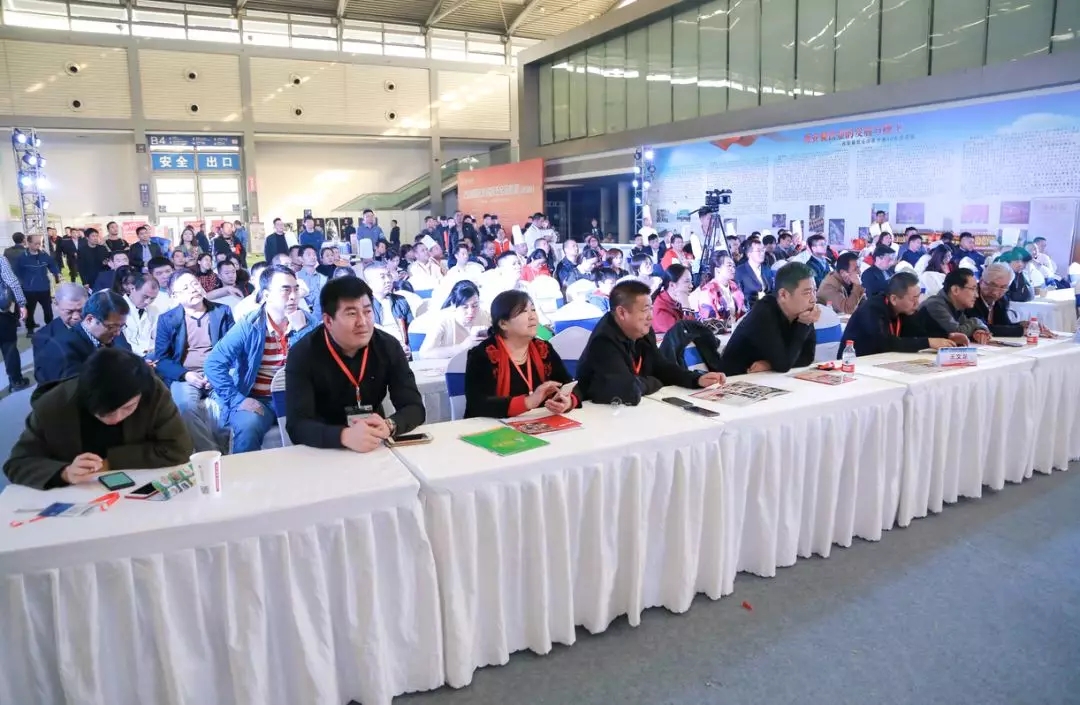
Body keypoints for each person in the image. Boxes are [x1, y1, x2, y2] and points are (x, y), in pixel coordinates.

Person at [4, 348, 193, 490]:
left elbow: (178, 448)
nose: (116, 419)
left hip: (139, 491)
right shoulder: (54, 405)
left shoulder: (153, 393)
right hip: (76, 496)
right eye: (105, 412)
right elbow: (18, 463)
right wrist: (65, 473)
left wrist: (110, 463)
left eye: (128, 407)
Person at [285, 277, 424, 451]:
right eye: (351, 314)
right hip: (324, 448)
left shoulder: (388, 346)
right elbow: (297, 425)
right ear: (328, 321)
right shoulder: (303, 353)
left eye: (367, 311)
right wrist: (343, 436)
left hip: (373, 441)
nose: (362, 322)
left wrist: (390, 425)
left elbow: (414, 407)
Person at [204, 265, 315, 454]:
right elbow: (214, 364)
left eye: (296, 289)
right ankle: (244, 473)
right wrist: (237, 400)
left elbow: (319, 363)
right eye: (285, 290)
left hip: (295, 397)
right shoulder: (250, 324)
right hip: (259, 398)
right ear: (266, 295)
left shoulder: (307, 322)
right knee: (248, 426)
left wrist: (301, 332)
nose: (293, 296)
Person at [576, 280, 724, 405]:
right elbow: (628, 391)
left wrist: (696, 379)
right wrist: (656, 381)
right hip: (602, 414)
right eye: (645, 310)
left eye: (651, 309)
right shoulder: (603, 341)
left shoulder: (641, 330)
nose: (650, 317)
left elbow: (661, 366)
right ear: (622, 313)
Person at [154, 270, 236, 451]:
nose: (193, 289)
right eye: (185, 288)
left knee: (228, 406)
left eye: (194, 284)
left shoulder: (222, 311)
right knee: (184, 407)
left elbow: (234, 349)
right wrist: (185, 375)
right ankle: (211, 454)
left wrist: (217, 373)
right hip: (186, 376)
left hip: (218, 373)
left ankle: (225, 452)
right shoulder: (167, 320)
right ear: (175, 296)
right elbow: (161, 359)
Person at [463, 290, 577, 418]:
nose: (532, 316)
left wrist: (567, 402)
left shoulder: (543, 349)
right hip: (492, 426)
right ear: (503, 323)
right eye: (523, 311)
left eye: (533, 310)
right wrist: (528, 402)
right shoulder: (483, 355)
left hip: (537, 422)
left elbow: (568, 384)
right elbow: (478, 404)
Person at [718, 262, 819, 376]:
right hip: (735, 378)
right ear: (783, 295)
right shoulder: (765, 311)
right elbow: (783, 365)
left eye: (814, 291)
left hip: (767, 378)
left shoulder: (802, 312)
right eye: (807, 293)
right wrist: (804, 324)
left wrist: (770, 364)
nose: (814, 299)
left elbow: (807, 357)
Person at [840, 272, 961, 357]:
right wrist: (928, 342)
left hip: (884, 361)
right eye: (913, 299)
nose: (917, 303)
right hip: (855, 364)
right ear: (894, 299)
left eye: (918, 297)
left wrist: (946, 337)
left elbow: (920, 332)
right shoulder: (872, 309)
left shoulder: (905, 310)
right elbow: (885, 343)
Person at [34, 290, 132, 385]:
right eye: (111, 327)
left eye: (121, 326)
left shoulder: (106, 335)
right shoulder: (63, 351)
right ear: (90, 319)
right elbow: (82, 391)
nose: (118, 333)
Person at [964, 262, 1047, 338]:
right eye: (992, 285)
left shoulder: (1002, 299)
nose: (995, 292)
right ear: (981, 281)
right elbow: (980, 327)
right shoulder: (971, 297)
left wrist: (1022, 325)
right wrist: (1021, 330)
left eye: (1003, 287)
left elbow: (1003, 325)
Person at [915, 268, 990, 343]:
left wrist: (979, 331)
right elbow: (958, 333)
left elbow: (966, 326)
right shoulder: (935, 305)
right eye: (973, 289)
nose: (977, 295)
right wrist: (976, 321)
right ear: (955, 290)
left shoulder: (956, 307)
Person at [32, 283, 87, 382]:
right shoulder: (43, 338)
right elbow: (41, 375)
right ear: (56, 305)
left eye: (81, 310)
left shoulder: (99, 325)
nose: (76, 316)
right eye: (69, 311)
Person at [14, 233, 61, 338]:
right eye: (36, 243)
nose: (38, 245)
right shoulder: (22, 257)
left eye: (40, 243)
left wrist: (56, 273)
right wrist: (23, 283)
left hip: (44, 288)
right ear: (29, 243)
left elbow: (52, 265)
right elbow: (16, 272)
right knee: (30, 310)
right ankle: (30, 329)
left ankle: (50, 327)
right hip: (29, 289)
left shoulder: (44, 255)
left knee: (48, 310)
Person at [362, 260, 413, 349]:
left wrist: (409, 348)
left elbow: (411, 330)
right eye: (382, 277)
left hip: (402, 348)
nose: (388, 280)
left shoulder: (400, 301)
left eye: (389, 275)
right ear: (368, 284)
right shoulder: (363, 306)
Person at [691, 250, 745, 323]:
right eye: (729, 266)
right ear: (717, 270)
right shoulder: (708, 291)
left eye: (733, 266)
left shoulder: (734, 286)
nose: (733, 269)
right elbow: (710, 322)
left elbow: (742, 311)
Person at [121, 273, 160, 358]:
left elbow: (158, 337)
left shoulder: (154, 310)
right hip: (127, 358)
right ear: (132, 289)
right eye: (145, 296)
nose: (147, 302)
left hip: (151, 355)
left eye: (152, 298)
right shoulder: (117, 308)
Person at [652, 263, 693, 335]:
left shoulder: (675, 300)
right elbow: (684, 332)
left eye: (691, 281)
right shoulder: (660, 309)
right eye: (687, 281)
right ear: (672, 285)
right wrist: (686, 305)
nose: (691, 286)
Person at [734, 239, 774, 305]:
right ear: (749, 254)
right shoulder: (740, 271)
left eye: (763, 250)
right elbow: (739, 296)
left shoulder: (766, 269)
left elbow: (771, 289)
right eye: (758, 251)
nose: (762, 253)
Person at [295, 244, 327, 317]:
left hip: (320, 318)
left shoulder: (323, 278)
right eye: (308, 255)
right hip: (302, 317)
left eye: (314, 255)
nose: (313, 257)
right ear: (300, 258)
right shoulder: (295, 277)